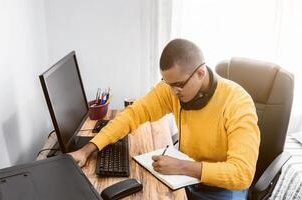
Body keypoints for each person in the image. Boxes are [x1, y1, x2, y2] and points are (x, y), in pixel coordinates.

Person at [70, 39, 260, 200]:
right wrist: (88, 150)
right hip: (185, 179)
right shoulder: (174, 89)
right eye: (167, 84)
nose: (172, 92)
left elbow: (242, 174)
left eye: (177, 85)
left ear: (200, 73)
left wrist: (182, 166)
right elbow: (133, 114)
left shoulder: (237, 103)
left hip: (222, 189)